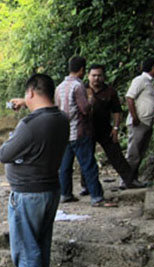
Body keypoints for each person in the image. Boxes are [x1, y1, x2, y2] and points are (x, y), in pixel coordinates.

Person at [0, 73, 69, 267]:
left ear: (30, 93)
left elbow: (4, 154)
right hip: (50, 189)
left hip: (28, 192)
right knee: (41, 242)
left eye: (26, 95)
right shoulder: (62, 118)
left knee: (25, 245)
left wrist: (13, 139)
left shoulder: (29, 125)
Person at [55, 56, 115, 207]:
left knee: (65, 166)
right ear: (82, 70)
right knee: (88, 164)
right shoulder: (78, 86)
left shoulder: (59, 87)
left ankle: (65, 193)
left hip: (64, 133)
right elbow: (85, 109)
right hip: (80, 131)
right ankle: (96, 197)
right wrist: (91, 102)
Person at [79, 64, 142, 195]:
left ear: (103, 76)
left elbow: (117, 111)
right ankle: (86, 186)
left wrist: (116, 127)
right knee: (87, 157)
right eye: (93, 75)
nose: (96, 78)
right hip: (86, 128)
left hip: (105, 128)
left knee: (116, 154)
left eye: (99, 75)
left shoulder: (110, 91)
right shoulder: (81, 89)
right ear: (88, 76)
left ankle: (130, 180)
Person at [125, 57, 154, 182]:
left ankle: (133, 178)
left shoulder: (149, 82)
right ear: (153, 68)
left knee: (140, 153)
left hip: (147, 122)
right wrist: (135, 117)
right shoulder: (140, 80)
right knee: (133, 153)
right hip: (138, 122)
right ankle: (126, 179)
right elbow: (129, 98)